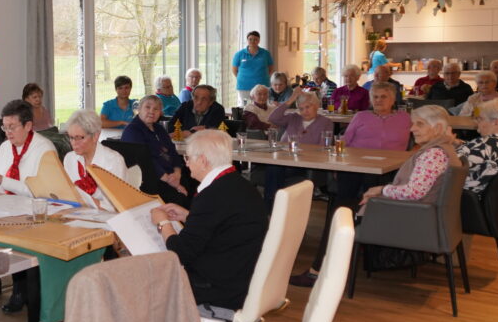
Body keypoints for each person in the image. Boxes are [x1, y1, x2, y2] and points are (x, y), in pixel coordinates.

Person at [291, 83, 411, 287]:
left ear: (393, 100)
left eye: (383, 97)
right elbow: (344, 142)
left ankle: (358, 240)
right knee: (340, 211)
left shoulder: (405, 118)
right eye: (375, 97)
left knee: (353, 207)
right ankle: (318, 268)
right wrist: (338, 164)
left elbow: (420, 137)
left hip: (388, 173)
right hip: (355, 169)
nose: (378, 100)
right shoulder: (361, 116)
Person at [149, 130, 268, 309]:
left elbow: (180, 252)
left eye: (188, 158)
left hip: (219, 287)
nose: (186, 163)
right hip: (241, 273)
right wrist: (189, 216)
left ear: (203, 160)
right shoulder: (239, 185)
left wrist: (163, 223)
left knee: (149, 279)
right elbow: (224, 223)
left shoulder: (212, 195)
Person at [0, 99, 55, 310]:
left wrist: (4, 181)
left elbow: (40, 192)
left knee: (15, 236)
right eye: (4, 127)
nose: (7, 133)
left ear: (28, 126)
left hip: (31, 210)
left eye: (12, 127)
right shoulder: (4, 147)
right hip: (5, 204)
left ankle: (21, 291)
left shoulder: (44, 149)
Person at [360, 105, 460, 207]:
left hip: (412, 211)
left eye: (420, 124)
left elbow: (414, 193)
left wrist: (382, 189)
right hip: (421, 209)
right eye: (413, 124)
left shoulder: (434, 154)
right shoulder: (447, 147)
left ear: (437, 128)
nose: (412, 129)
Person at [263, 91, 336, 205]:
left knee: (274, 169)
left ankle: (271, 205)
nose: (305, 111)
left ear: (316, 106)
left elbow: (323, 149)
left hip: (304, 164)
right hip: (283, 158)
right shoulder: (293, 117)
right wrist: (290, 100)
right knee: (274, 166)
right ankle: (275, 204)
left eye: (308, 107)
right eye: (301, 109)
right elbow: (273, 118)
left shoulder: (326, 122)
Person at [120, 95, 187, 203]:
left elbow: (173, 153)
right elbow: (145, 161)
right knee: (182, 200)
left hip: (171, 177)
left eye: (156, 109)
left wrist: (177, 173)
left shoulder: (159, 129)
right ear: (139, 109)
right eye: (147, 107)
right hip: (150, 181)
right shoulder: (132, 131)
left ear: (160, 113)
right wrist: (170, 180)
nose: (152, 111)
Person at [455, 97, 498, 194]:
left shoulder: (483, 145)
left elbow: (449, 166)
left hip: (462, 196)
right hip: (493, 197)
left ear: (496, 122)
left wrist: (444, 144)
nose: (477, 122)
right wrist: (459, 143)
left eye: (480, 119)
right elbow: (482, 151)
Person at [63, 110, 129, 211]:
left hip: (108, 217)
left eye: (79, 138)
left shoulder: (113, 161)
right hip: (77, 214)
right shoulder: (70, 158)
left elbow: (116, 206)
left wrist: (83, 200)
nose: (74, 143)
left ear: (95, 136)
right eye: (71, 137)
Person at [231, 30, 274, 105]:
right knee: (246, 106)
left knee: (262, 105)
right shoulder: (239, 54)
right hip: (244, 85)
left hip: (262, 85)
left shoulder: (265, 53)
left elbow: (270, 67)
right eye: (250, 39)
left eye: (255, 39)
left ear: (259, 41)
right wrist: (243, 78)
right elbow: (234, 70)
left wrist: (264, 76)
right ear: (247, 40)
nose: (252, 41)